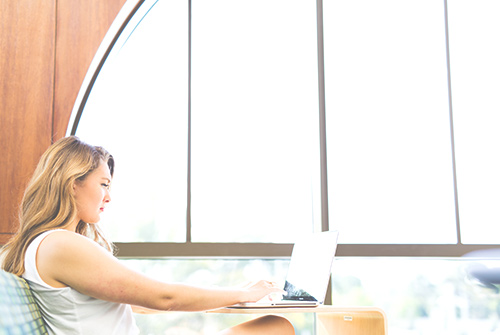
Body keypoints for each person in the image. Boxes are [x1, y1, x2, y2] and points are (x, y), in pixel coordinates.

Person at [1, 136, 295, 335]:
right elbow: (163, 297)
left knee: (272, 326)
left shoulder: (48, 245)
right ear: (72, 183)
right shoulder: (59, 245)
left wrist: (234, 298)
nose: (108, 196)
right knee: (275, 328)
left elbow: (138, 303)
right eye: (103, 184)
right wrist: (243, 293)